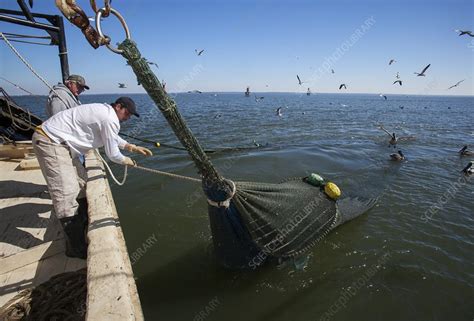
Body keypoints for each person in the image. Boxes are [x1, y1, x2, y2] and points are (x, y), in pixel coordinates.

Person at [32, 97, 153, 258]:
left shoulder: (105, 112)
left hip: (59, 142)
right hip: (51, 142)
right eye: (127, 113)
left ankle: (82, 223)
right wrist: (125, 160)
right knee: (66, 194)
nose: (128, 118)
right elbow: (112, 154)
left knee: (82, 183)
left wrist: (130, 146)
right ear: (118, 106)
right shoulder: (110, 118)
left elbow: (109, 136)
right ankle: (75, 249)